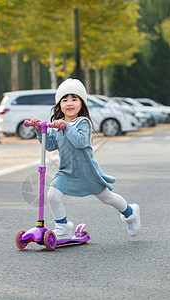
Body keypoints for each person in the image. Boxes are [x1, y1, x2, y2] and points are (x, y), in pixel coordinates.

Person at [31, 78, 141, 240]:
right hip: (66, 171)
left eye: (74, 99)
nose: (70, 103)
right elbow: (51, 145)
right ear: (59, 105)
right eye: (65, 100)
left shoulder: (83, 122)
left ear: (82, 103)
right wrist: (40, 131)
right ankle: (62, 227)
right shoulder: (58, 124)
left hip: (87, 171)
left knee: (107, 197)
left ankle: (131, 213)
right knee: (52, 195)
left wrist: (65, 126)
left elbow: (80, 142)